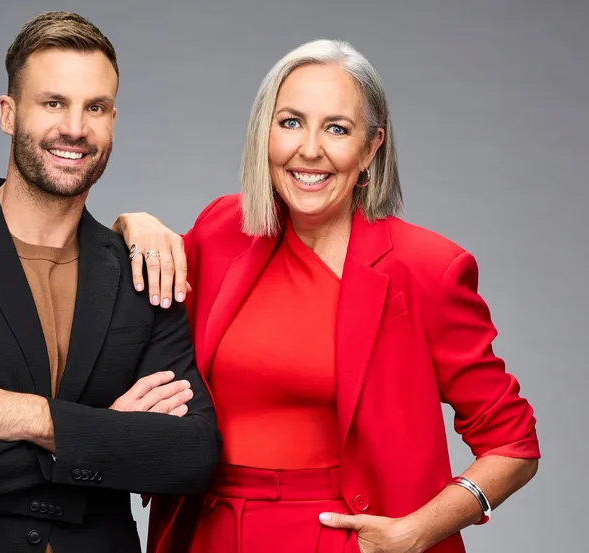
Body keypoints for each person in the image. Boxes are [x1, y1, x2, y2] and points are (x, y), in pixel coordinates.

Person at [113, 39, 540, 553]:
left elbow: (513, 445)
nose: (309, 149)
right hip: (207, 532)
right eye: (290, 122)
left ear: (371, 148)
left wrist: (419, 531)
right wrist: (132, 223)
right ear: (264, 132)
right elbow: (147, 298)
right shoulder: (221, 228)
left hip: (338, 539)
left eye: (336, 128)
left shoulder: (427, 268)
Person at [0, 12, 220, 553]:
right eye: (53, 103)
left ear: (114, 120)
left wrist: (29, 417)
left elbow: (190, 454)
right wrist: (102, 437)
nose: (75, 127)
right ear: (8, 114)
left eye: (94, 107)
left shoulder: (141, 272)